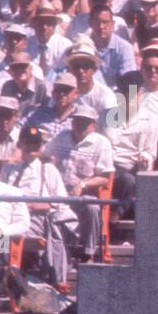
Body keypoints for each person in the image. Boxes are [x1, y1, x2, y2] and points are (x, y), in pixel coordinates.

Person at [3, 127, 76, 285]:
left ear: (40, 147)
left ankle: (14, 275)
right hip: (8, 216)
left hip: (35, 219)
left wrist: (34, 205)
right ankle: (5, 273)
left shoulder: (47, 170)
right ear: (19, 144)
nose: (30, 148)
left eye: (35, 145)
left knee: (10, 234)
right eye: (26, 143)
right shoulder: (8, 170)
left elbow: (61, 202)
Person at [42, 103, 114, 262]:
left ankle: (88, 253)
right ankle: (47, 256)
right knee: (40, 206)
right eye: (77, 120)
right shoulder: (61, 137)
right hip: (58, 192)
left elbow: (105, 177)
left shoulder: (101, 143)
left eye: (85, 121)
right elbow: (44, 156)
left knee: (93, 208)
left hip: (84, 192)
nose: (80, 124)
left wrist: (83, 185)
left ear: (93, 125)